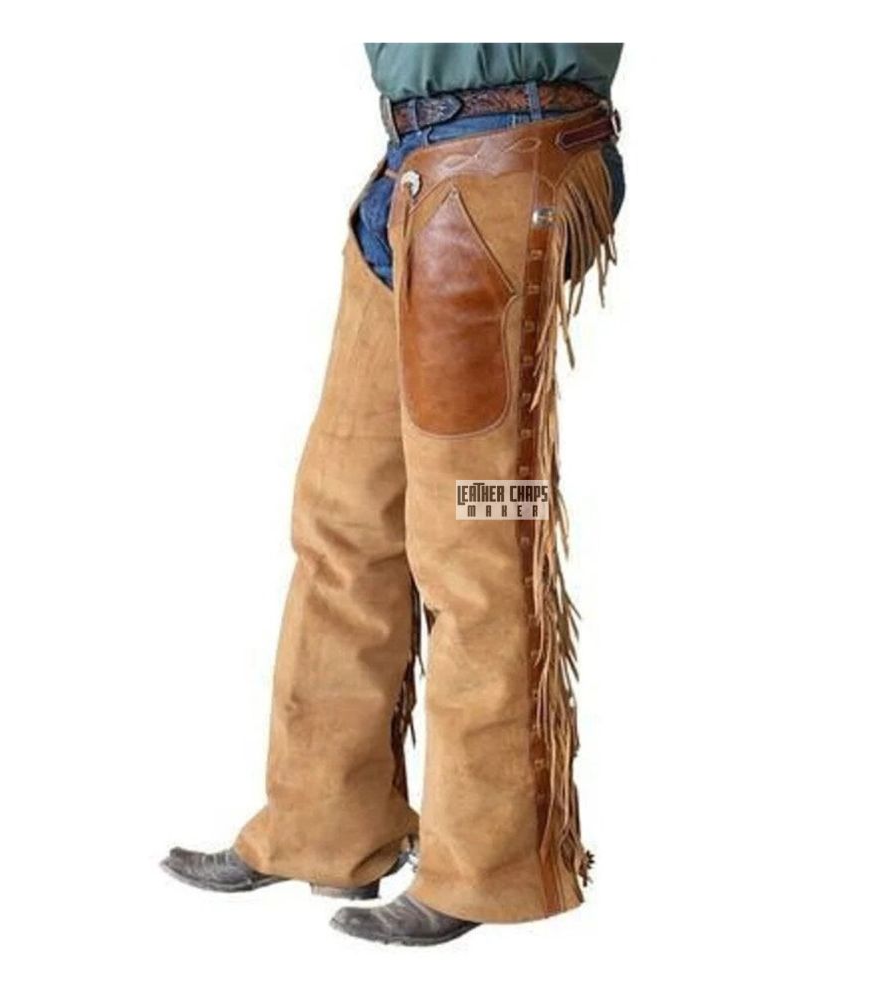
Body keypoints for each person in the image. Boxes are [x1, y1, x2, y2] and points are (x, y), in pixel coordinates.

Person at [162, 42, 625, 947]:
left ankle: (490, 868)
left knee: (476, 539)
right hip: (409, 167)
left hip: (506, 153)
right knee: (342, 517)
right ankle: (321, 824)